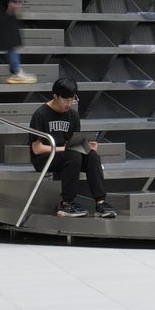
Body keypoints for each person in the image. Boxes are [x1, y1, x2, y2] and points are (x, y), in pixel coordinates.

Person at [28, 78, 116, 219]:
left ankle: (101, 203)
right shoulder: (41, 114)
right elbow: (37, 149)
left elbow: (74, 143)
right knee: (73, 156)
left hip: (66, 156)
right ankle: (66, 204)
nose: (69, 104)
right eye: (65, 100)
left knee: (92, 156)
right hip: (44, 159)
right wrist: (64, 149)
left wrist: (87, 147)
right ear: (55, 96)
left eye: (72, 99)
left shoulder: (73, 115)